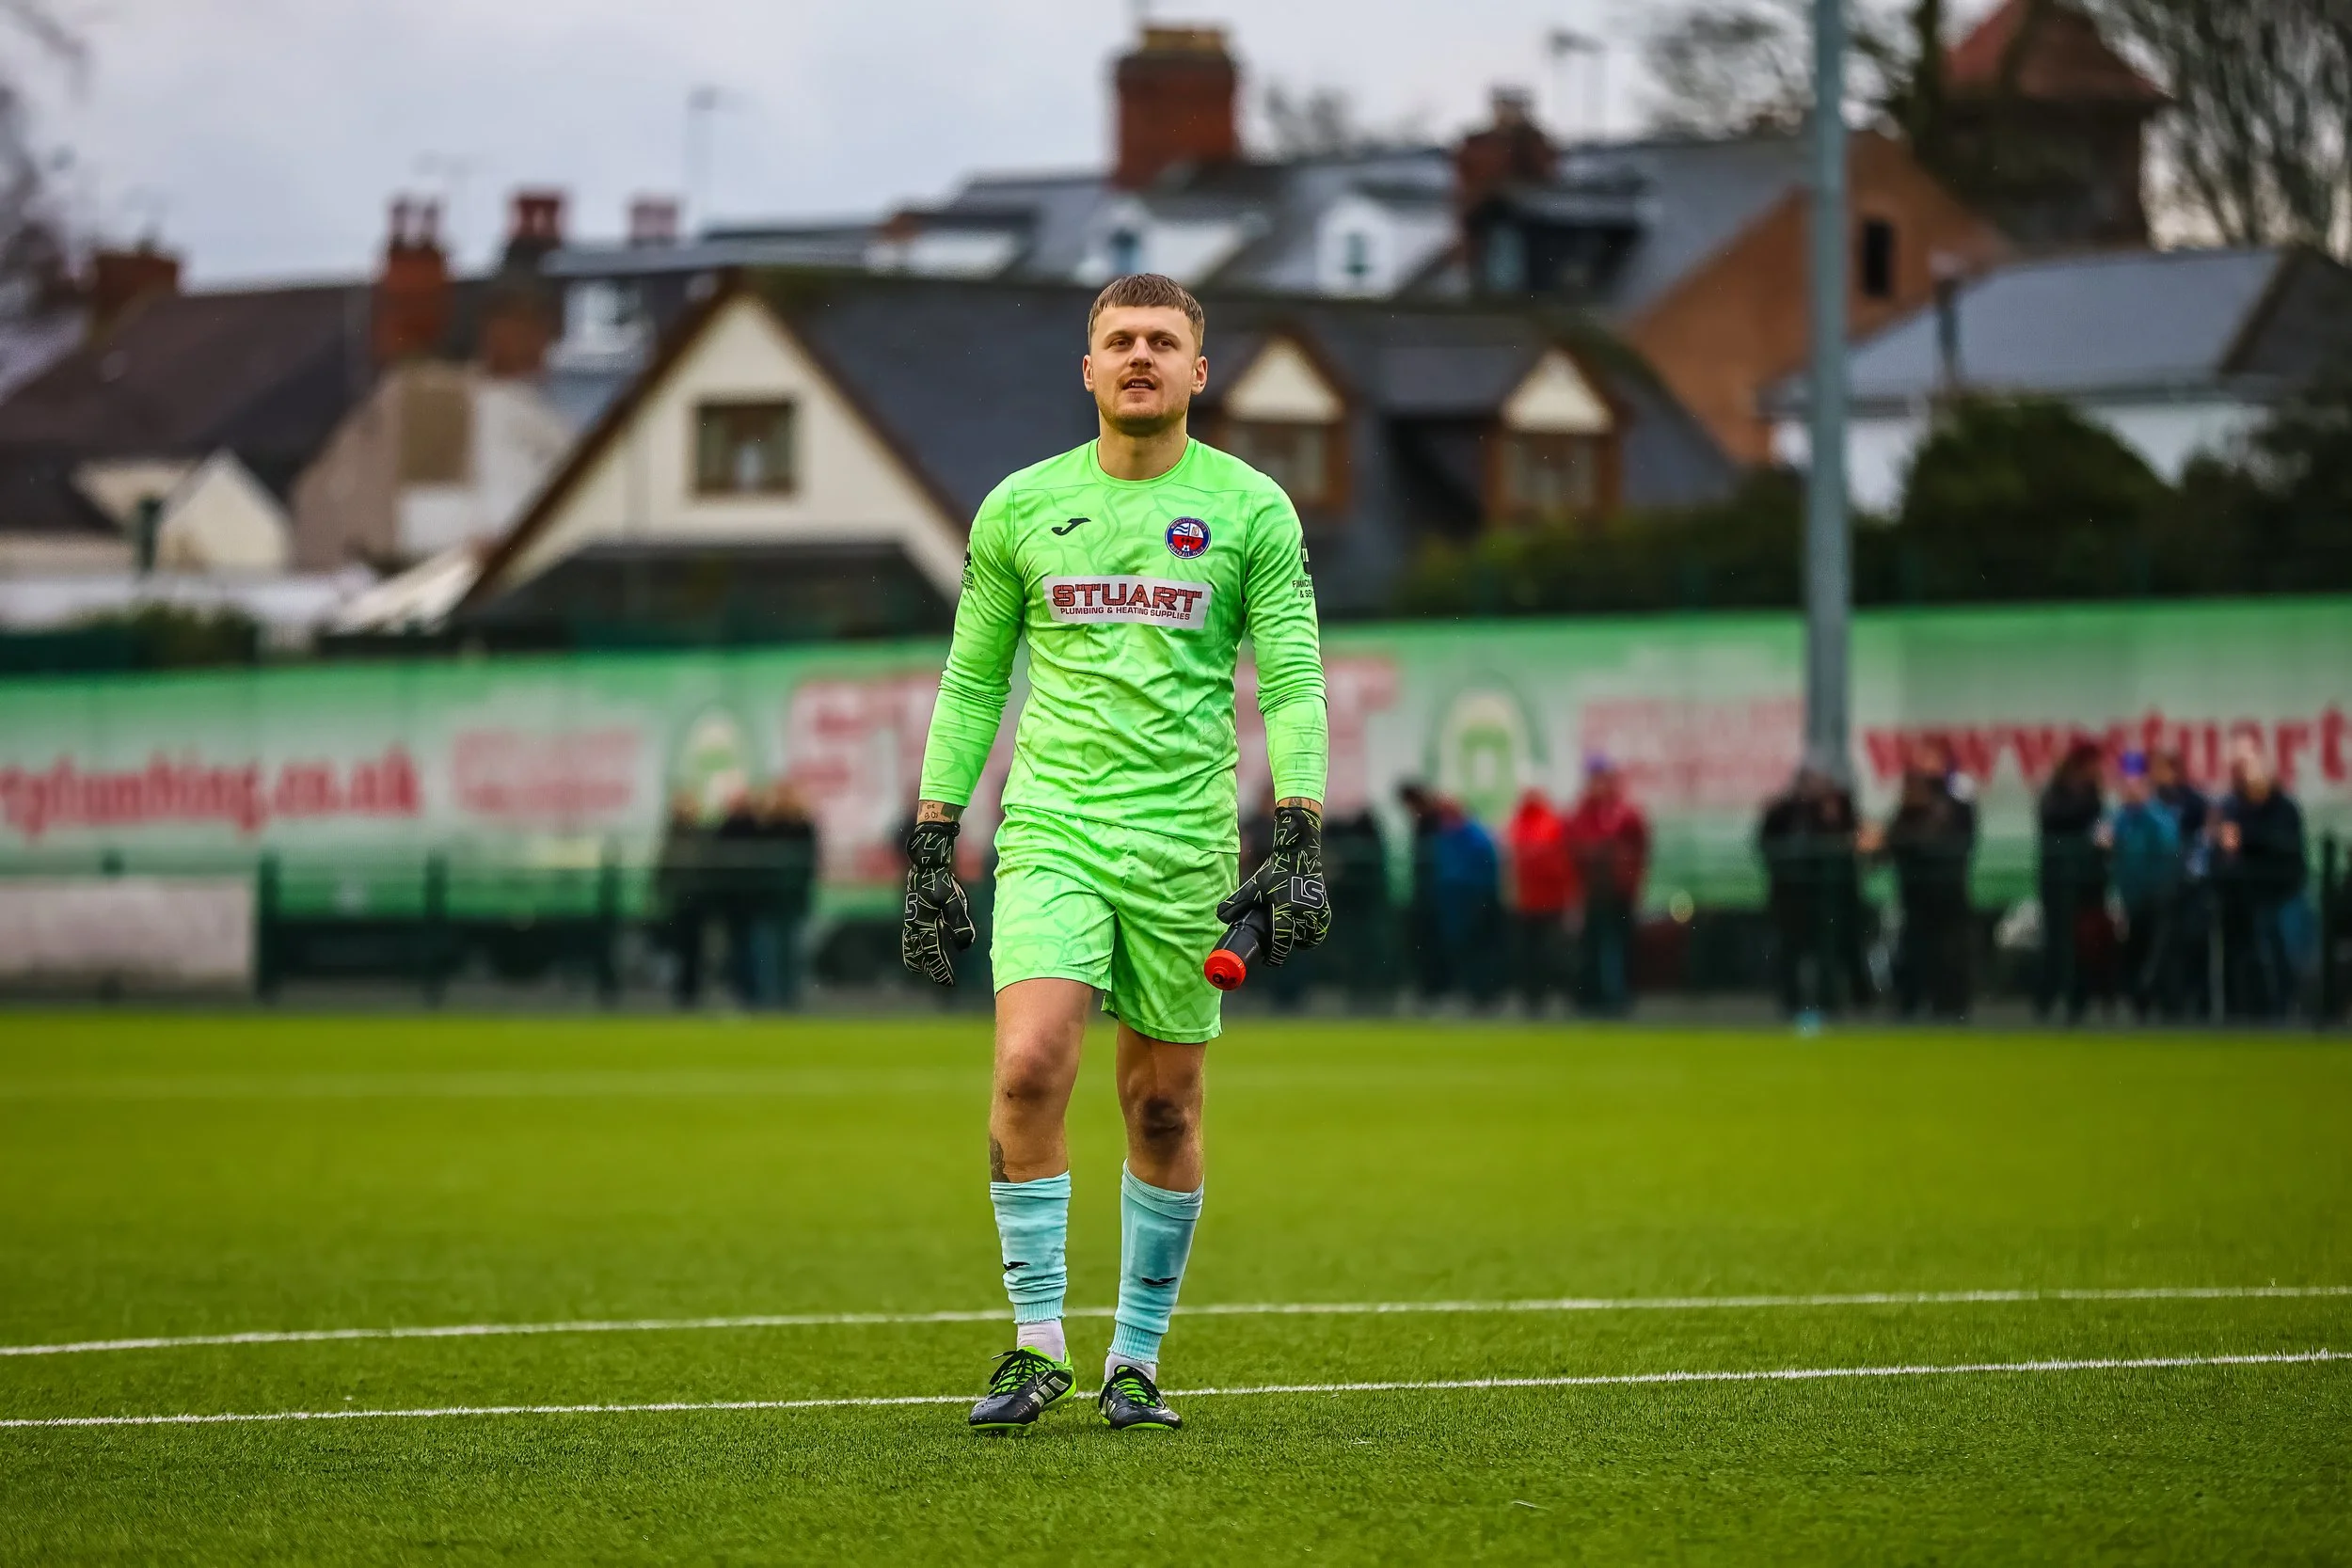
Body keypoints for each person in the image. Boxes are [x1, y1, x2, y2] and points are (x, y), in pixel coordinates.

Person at [899, 274, 1328, 1436]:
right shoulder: (1018, 508)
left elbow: (1288, 678)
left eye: (1163, 341)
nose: (1140, 356)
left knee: (1164, 1111)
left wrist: (1297, 829)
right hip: (1052, 833)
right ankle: (1037, 1340)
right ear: (1085, 369)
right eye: (1118, 341)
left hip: (1188, 845)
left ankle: (1135, 1359)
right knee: (1032, 1061)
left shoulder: (1251, 510)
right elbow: (974, 678)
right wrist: (935, 835)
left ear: (1200, 371)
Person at [1873, 738, 1977, 1020]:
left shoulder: (1957, 800)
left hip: (1946, 886)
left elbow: (1958, 840)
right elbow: (1893, 842)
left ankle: (1950, 1005)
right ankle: (1912, 1002)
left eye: (1931, 758)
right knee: (1915, 946)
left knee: (1949, 949)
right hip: (1916, 888)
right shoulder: (1910, 802)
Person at [1757, 766, 1870, 1021]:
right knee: (1791, 952)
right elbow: (1766, 843)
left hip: (1826, 897)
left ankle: (1828, 1003)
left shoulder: (1836, 811)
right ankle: (1792, 1004)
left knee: (1827, 952)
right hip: (1790, 895)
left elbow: (1855, 845)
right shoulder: (1783, 812)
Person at [2215, 742, 2307, 1021]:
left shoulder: (2285, 808)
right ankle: (2265, 1011)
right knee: (2259, 956)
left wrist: (2249, 840)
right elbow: (2229, 846)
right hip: (2254, 896)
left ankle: (2291, 1007)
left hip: (2286, 892)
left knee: (2289, 953)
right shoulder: (2236, 809)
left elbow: (2286, 843)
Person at [1563, 755, 1649, 1018]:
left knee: (1618, 945)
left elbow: (1639, 850)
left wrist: (1630, 880)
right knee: (1591, 945)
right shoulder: (1582, 813)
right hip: (1592, 892)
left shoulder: (1625, 813)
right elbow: (1572, 847)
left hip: (1618, 891)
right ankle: (1592, 997)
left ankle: (1618, 997)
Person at [2035, 740, 2111, 1023]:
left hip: (2087, 880)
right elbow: (2054, 817)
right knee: (2059, 942)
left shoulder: (2092, 794)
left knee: (2083, 944)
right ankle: (2052, 998)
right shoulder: (2059, 793)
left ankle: (2076, 1000)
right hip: (2061, 878)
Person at [2103, 752, 2184, 1020]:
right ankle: (2138, 1003)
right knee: (2133, 952)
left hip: (2158, 896)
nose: (2129, 789)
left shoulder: (2158, 815)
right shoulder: (2120, 817)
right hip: (2131, 896)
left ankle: (2158, 1002)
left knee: (2156, 952)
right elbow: (2105, 842)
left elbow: (2169, 846)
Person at [2150, 749, 2214, 1019]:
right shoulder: (2151, 802)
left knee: (2193, 943)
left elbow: (2204, 839)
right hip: (2161, 885)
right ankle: (2169, 1002)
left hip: (2190, 886)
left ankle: (2199, 1001)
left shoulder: (2194, 802)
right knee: (2165, 946)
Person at [1432, 797, 1505, 1008]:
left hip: (1473, 901)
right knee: (1460, 950)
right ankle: (1470, 993)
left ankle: (1482, 995)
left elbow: (1484, 870)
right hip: (1455, 903)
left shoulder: (1473, 836)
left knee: (1477, 951)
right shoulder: (1450, 836)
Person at [1320, 806, 1395, 1011]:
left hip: (1357, 914)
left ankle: (1367, 992)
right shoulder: (1373, 847)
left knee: (1359, 953)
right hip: (1366, 913)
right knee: (1369, 953)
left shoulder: (1357, 852)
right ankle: (1373, 993)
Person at [1504, 788, 1572, 1014]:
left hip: (1545, 901)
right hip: (1530, 902)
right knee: (1531, 953)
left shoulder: (1547, 824)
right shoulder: (1525, 824)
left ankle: (1543, 995)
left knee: (1545, 952)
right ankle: (1534, 996)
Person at [653, 790, 713, 1008]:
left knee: (695, 949)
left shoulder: (700, 835)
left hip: (696, 899)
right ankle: (683, 993)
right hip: (679, 899)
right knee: (680, 948)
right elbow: (664, 866)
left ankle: (692, 992)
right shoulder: (674, 834)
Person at [1397, 783, 1451, 1001]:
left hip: (1432, 894)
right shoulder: (1432, 820)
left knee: (1430, 945)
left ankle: (1434, 989)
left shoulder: (1430, 823)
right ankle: (1432, 989)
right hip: (1431, 893)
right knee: (1429, 944)